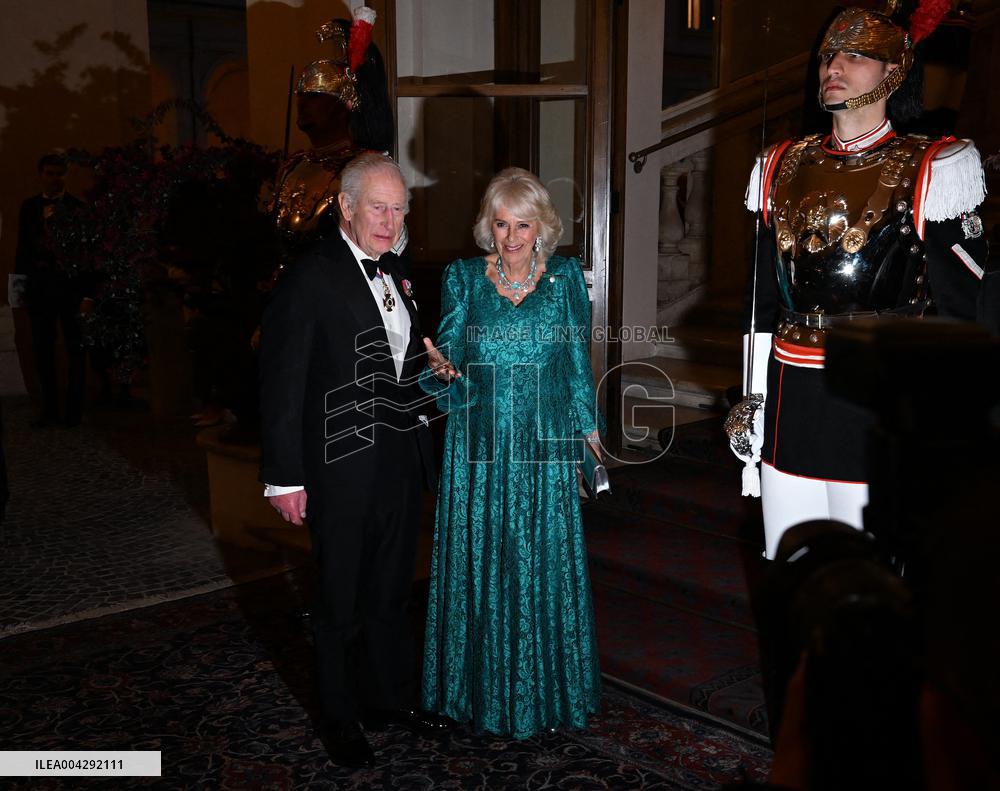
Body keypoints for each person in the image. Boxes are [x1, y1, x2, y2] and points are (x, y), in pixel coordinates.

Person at [725, 4, 994, 559]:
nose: (834, 65)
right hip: (790, 395)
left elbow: (963, 310)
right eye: (828, 54)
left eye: (855, 55)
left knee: (873, 576)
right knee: (792, 563)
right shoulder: (778, 165)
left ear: (894, 71)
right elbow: (764, 301)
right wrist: (752, 397)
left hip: (878, 394)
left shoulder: (935, 167)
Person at [258, 153, 450, 768]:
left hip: (397, 458)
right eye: (378, 207)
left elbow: (398, 357)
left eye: (399, 209)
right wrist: (284, 478)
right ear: (345, 207)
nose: (390, 221)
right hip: (337, 468)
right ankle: (340, 717)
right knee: (339, 599)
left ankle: (387, 698)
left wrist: (432, 367)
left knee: (391, 591)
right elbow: (282, 383)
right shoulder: (309, 278)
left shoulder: (401, 273)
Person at [420, 168, 603, 738]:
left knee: (542, 559)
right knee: (481, 558)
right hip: (478, 444)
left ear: (542, 227)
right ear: (488, 227)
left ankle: (549, 694)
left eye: (522, 223)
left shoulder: (566, 279)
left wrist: (588, 437)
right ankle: (473, 692)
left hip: (545, 444)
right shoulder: (464, 279)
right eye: (501, 223)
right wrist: (441, 368)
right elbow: (447, 352)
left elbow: (576, 364)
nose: (511, 235)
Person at [14, 152, 88, 427]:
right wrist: (18, 290)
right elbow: (22, 250)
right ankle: (49, 409)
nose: (55, 179)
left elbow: (86, 254)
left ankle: (74, 411)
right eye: (50, 173)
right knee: (42, 350)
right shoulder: (29, 208)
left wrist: (87, 294)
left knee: (75, 350)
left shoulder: (78, 208)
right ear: (41, 174)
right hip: (40, 290)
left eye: (60, 174)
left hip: (70, 290)